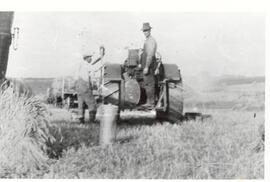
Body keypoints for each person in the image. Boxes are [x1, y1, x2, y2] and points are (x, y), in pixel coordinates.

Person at [74, 48, 104, 124]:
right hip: (85, 86)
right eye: (90, 57)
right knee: (92, 104)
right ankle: (92, 121)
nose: (91, 59)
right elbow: (93, 73)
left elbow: (76, 77)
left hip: (78, 86)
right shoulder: (87, 65)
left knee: (81, 104)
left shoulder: (80, 64)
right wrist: (102, 65)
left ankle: (81, 121)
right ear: (87, 58)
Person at [140, 22, 158, 107]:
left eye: (146, 30)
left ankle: (150, 102)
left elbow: (150, 55)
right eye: (144, 30)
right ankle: (149, 101)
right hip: (146, 65)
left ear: (150, 30)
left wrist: (146, 66)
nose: (145, 32)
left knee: (149, 84)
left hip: (149, 66)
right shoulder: (147, 40)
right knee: (147, 84)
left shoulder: (151, 40)